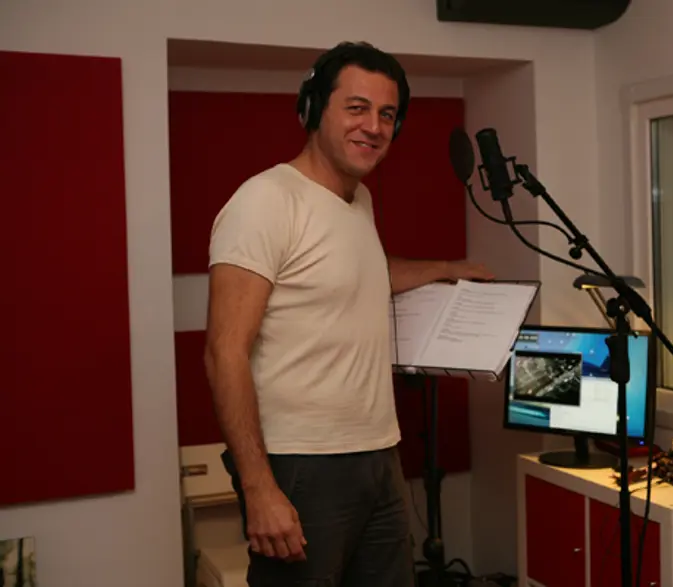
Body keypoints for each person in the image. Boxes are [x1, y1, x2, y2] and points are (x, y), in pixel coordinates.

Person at [203, 41, 494, 587]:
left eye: (387, 114)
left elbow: (364, 272)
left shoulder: (358, 201)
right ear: (315, 109)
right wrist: (259, 488)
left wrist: (446, 268)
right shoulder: (265, 201)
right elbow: (224, 352)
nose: (374, 127)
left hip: (379, 453)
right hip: (302, 463)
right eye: (357, 108)